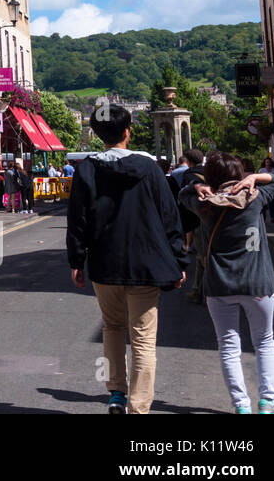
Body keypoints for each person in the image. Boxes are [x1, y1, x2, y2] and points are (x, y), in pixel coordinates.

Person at [66, 105, 187, 415]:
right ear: (127, 131)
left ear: (96, 134)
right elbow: (169, 216)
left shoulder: (87, 169)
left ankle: (116, 393)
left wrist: (77, 261)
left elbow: (78, 220)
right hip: (147, 264)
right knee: (144, 338)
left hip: (105, 263)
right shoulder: (149, 169)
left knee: (112, 328)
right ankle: (138, 406)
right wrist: (178, 260)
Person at [178, 153, 274, 413]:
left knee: (227, 345)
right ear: (239, 174)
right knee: (264, 341)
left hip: (219, 284)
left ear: (210, 177)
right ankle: (268, 403)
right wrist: (254, 177)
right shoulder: (255, 198)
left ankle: (241, 405)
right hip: (258, 283)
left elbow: (182, 194)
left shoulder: (203, 203)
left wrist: (197, 186)